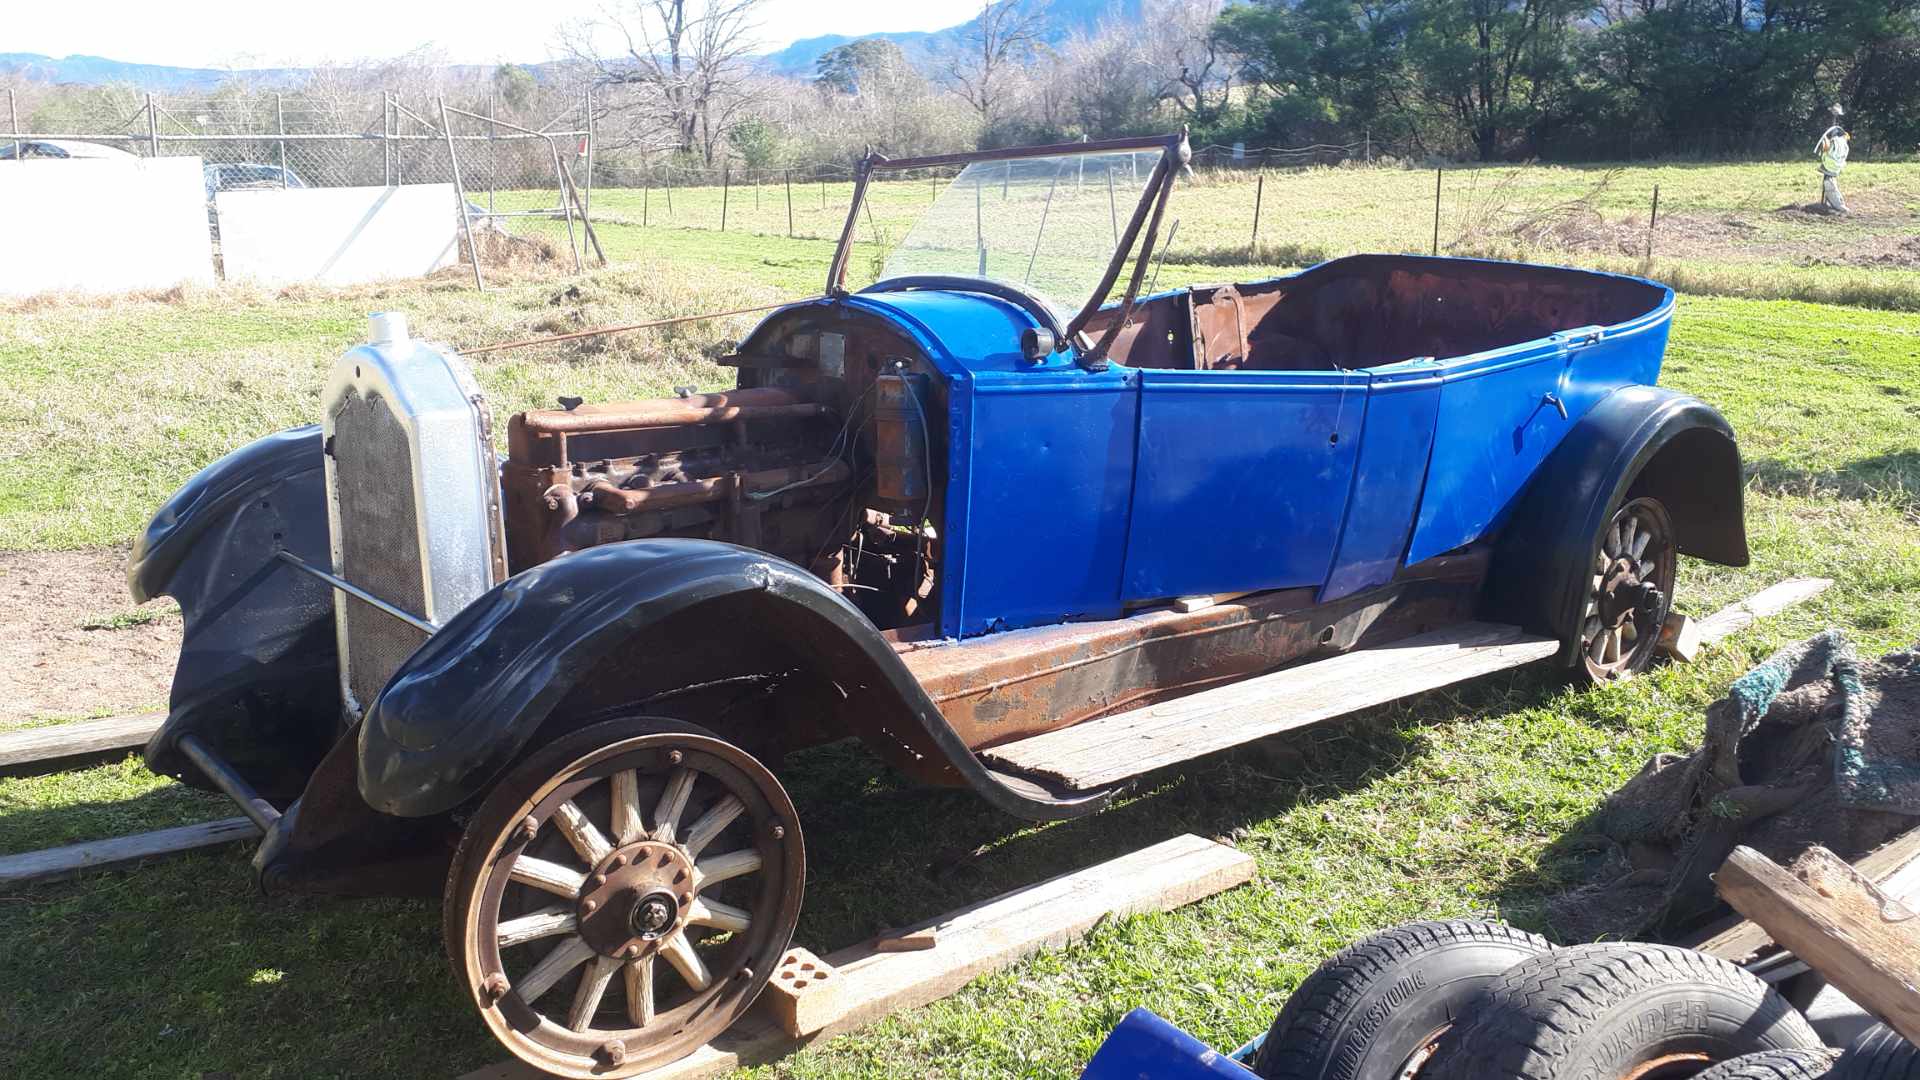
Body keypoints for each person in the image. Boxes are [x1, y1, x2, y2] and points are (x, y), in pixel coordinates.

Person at [1816, 104, 1850, 214]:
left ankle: (1835, 204)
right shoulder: (1836, 135)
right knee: (1828, 181)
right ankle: (1829, 203)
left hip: (1832, 164)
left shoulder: (1838, 140)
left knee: (1828, 181)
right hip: (1832, 163)